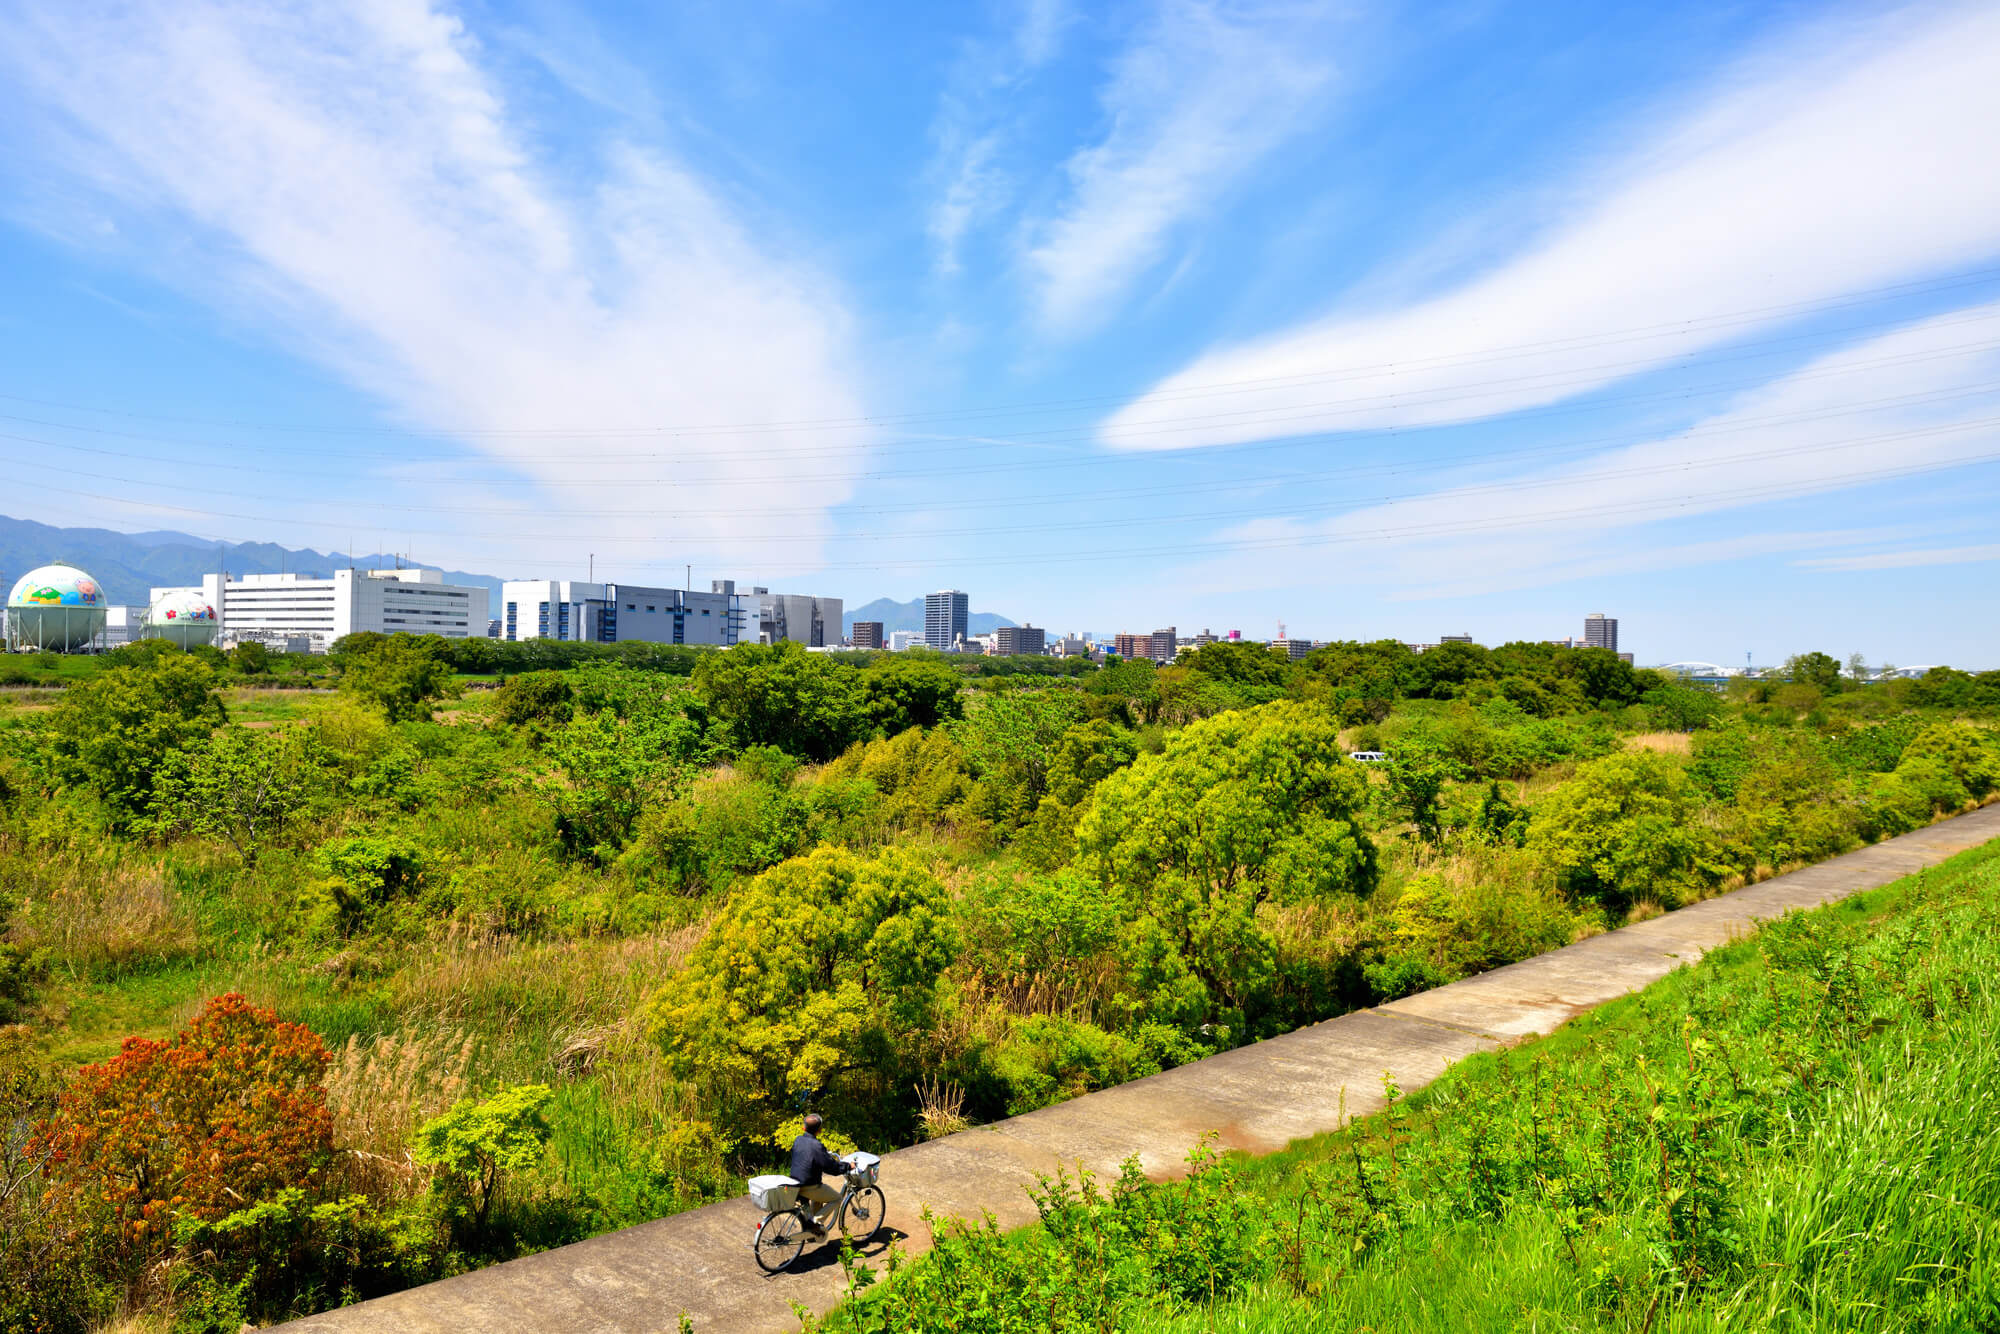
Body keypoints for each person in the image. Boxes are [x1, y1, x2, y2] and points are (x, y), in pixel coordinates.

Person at [788, 1112, 849, 1235]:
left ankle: (812, 1233)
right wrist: (847, 1166)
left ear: (803, 1128)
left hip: (794, 1182)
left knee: (819, 1195)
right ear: (820, 1130)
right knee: (837, 1198)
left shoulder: (798, 1140)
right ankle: (814, 1222)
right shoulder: (817, 1146)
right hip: (808, 1186)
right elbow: (832, 1168)